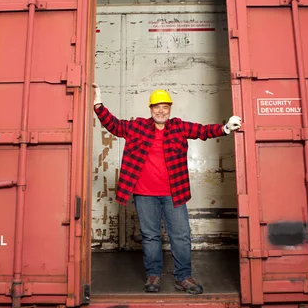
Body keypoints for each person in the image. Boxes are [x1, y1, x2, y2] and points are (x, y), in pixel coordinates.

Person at [92, 84, 242, 294]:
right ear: (150, 108)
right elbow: (114, 125)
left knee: (180, 235)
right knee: (150, 235)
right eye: (157, 107)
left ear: (169, 109)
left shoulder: (179, 127)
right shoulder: (137, 127)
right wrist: (98, 104)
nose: (161, 111)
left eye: (165, 107)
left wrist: (225, 128)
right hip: (144, 194)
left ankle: (184, 277)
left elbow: (203, 131)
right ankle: (153, 276)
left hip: (174, 193)